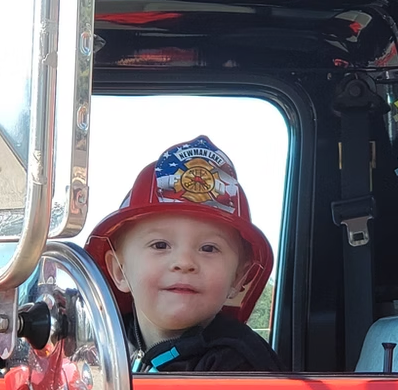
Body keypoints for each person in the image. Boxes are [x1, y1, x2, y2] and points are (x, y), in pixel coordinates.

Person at [85, 136, 283, 373]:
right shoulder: (102, 345)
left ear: (239, 277)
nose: (184, 262)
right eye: (160, 245)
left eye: (209, 248)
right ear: (119, 270)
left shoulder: (238, 366)